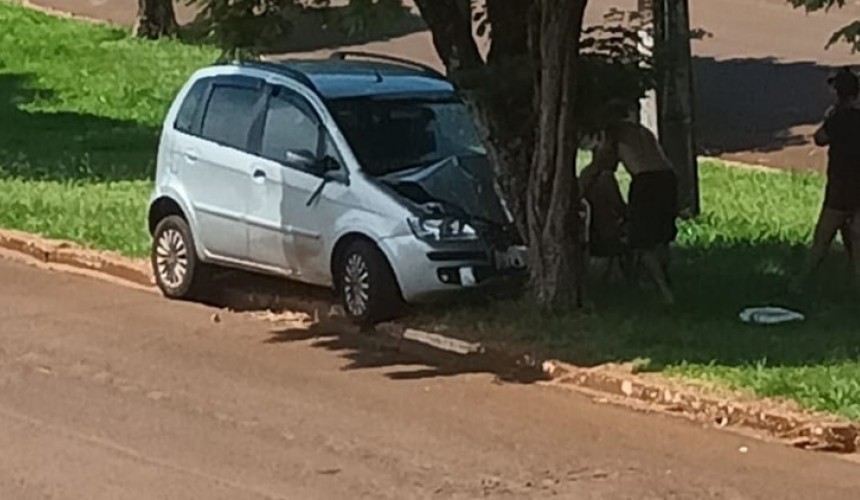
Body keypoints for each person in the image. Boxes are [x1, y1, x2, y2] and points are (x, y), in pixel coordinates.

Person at [596, 109, 679, 304]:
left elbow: (604, 167)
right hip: (668, 177)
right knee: (662, 236)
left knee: (642, 240)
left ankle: (664, 290)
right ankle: (660, 280)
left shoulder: (613, 133)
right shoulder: (642, 131)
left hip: (646, 180)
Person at [794, 67, 860, 289]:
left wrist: (830, 115)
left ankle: (801, 283)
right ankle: (855, 287)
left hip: (839, 189)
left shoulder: (837, 118)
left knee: (821, 241)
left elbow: (820, 139)